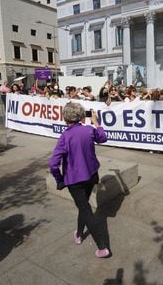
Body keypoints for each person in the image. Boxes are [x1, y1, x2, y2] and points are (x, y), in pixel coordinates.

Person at [49, 102, 110, 258]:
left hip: (75, 180)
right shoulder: (89, 130)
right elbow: (103, 137)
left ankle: (102, 247)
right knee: (83, 206)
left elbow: (53, 164)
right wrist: (96, 122)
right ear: (82, 117)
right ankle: (79, 234)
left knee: (85, 209)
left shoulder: (65, 136)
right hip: (91, 176)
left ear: (65, 118)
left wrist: (59, 179)